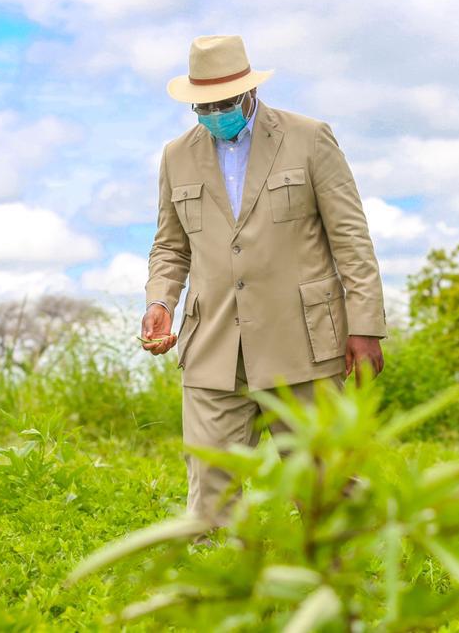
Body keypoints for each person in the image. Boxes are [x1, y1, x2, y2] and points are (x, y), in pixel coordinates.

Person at [141, 35, 387, 522]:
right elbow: (170, 245)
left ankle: (353, 559)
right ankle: (212, 565)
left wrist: (365, 326)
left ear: (250, 90)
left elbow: (350, 238)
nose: (215, 113)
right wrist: (160, 301)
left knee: (324, 484)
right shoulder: (176, 155)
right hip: (212, 342)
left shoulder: (309, 138)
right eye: (203, 106)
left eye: (224, 103)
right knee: (210, 492)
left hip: (302, 341)